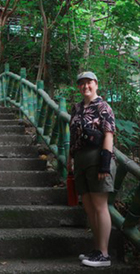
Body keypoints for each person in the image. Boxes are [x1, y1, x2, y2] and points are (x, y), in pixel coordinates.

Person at [67, 71, 116, 268]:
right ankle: (96, 249)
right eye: (81, 83)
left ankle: (104, 254)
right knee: (88, 207)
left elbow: (109, 134)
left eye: (89, 83)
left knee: (99, 206)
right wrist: (70, 158)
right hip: (80, 159)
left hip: (97, 158)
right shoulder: (77, 108)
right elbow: (72, 135)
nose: (85, 86)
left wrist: (105, 162)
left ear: (96, 84)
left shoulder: (103, 106)